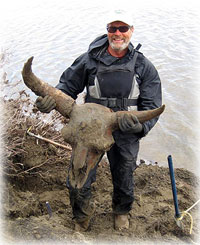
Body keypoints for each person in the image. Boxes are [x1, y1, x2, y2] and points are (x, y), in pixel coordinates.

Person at [35, 10, 162, 231]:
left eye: (123, 28)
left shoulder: (144, 66)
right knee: (78, 174)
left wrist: (140, 126)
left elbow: (152, 107)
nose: (118, 33)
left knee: (124, 173)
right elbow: (65, 88)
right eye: (113, 28)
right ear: (107, 31)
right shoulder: (89, 60)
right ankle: (81, 217)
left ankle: (121, 211)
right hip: (90, 129)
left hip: (125, 128)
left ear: (132, 31)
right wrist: (49, 102)